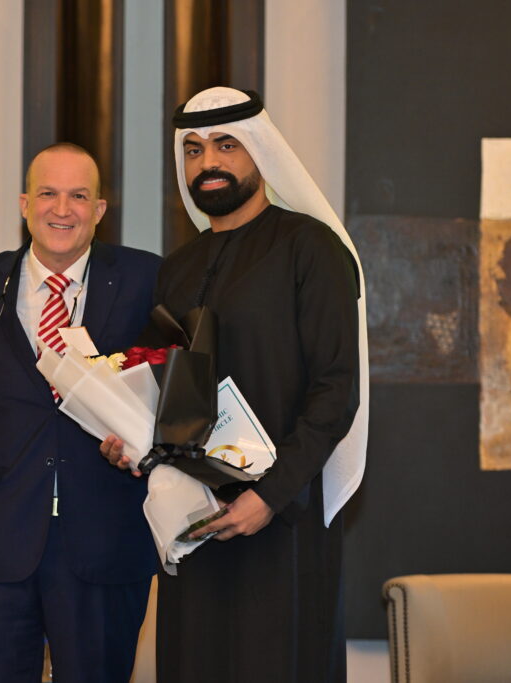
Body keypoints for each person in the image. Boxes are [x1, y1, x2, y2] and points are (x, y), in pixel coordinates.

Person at [103, 86, 369, 681]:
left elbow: (335, 390)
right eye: (193, 150)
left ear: (260, 152)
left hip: (282, 521)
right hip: (194, 518)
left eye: (227, 145)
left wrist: (268, 496)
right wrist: (128, 437)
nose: (208, 163)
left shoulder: (311, 248)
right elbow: (164, 380)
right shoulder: (179, 266)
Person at [0, 143, 160, 683]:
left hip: (105, 539)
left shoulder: (144, 279)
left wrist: (148, 441)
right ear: (25, 204)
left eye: (79, 196)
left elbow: (174, 382)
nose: (62, 209)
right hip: (1, 540)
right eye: (48, 193)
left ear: (99, 210)